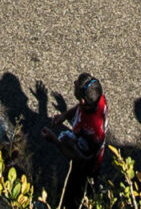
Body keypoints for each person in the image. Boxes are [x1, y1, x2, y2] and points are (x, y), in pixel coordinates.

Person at [50, 73, 109, 209]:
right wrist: (64, 115)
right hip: (84, 144)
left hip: (86, 165)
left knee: (74, 194)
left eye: (76, 84)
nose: (74, 82)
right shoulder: (98, 99)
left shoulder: (91, 131)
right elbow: (80, 107)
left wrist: (55, 140)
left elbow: (78, 157)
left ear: (83, 100)